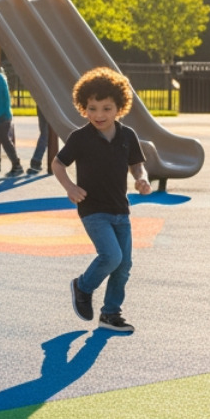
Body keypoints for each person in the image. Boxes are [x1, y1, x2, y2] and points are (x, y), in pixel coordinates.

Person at [55, 67, 152, 334]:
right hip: (92, 209)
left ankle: (110, 314)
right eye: (92, 108)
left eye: (107, 108)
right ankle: (83, 286)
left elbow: (137, 165)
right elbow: (57, 163)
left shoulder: (127, 136)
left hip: (120, 209)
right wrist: (70, 187)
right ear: (83, 106)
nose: (99, 115)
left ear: (119, 108)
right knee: (111, 256)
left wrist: (142, 179)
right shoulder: (80, 138)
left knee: (124, 265)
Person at [29, 108, 51, 174]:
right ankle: (36, 160)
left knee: (44, 134)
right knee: (45, 134)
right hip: (48, 106)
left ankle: (36, 160)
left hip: (42, 105)